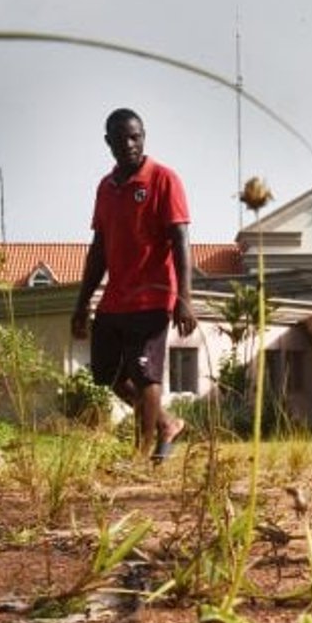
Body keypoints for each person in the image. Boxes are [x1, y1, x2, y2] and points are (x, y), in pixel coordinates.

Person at [71, 108, 196, 462]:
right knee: (105, 374)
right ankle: (167, 422)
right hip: (114, 300)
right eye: (122, 138)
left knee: (145, 376)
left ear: (144, 137)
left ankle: (140, 454)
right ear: (108, 141)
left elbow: (181, 239)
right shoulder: (105, 188)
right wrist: (83, 303)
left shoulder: (163, 179)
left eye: (136, 136)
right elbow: (99, 249)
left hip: (154, 297)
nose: (129, 144)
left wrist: (184, 298)